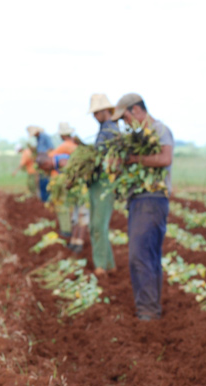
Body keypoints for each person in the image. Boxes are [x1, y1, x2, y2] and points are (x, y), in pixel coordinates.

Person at [111, 93, 174, 321]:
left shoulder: (159, 130)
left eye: (125, 118)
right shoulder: (138, 136)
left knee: (140, 256)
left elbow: (165, 159)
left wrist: (134, 159)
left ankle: (148, 311)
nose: (124, 123)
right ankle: (150, 309)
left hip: (152, 199)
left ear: (136, 110)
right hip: (141, 200)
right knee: (148, 256)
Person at [87, 94, 119, 276]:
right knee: (97, 225)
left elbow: (102, 158)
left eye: (96, 112)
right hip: (98, 182)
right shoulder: (104, 129)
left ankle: (100, 266)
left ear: (105, 111)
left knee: (98, 226)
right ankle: (109, 264)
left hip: (104, 182)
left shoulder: (111, 130)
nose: (94, 116)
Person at [37, 152, 89, 253]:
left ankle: (79, 243)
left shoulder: (61, 163)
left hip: (83, 191)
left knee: (82, 216)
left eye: (45, 169)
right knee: (75, 217)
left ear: (46, 164)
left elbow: (75, 174)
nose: (47, 171)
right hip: (76, 192)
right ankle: (74, 241)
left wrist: (67, 184)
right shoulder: (57, 164)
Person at [48, 122, 80, 239]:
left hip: (61, 180)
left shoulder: (65, 146)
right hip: (72, 180)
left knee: (62, 206)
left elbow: (50, 158)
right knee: (73, 206)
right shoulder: (76, 146)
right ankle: (72, 230)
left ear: (62, 135)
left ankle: (66, 230)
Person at [28, 125, 54, 202]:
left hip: (45, 164)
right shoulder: (38, 139)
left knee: (46, 182)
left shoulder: (45, 136)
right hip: (41, 164)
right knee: (41, 183)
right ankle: (43, 201)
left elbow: (51, 148)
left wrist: (43, 159)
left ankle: (47, 201)